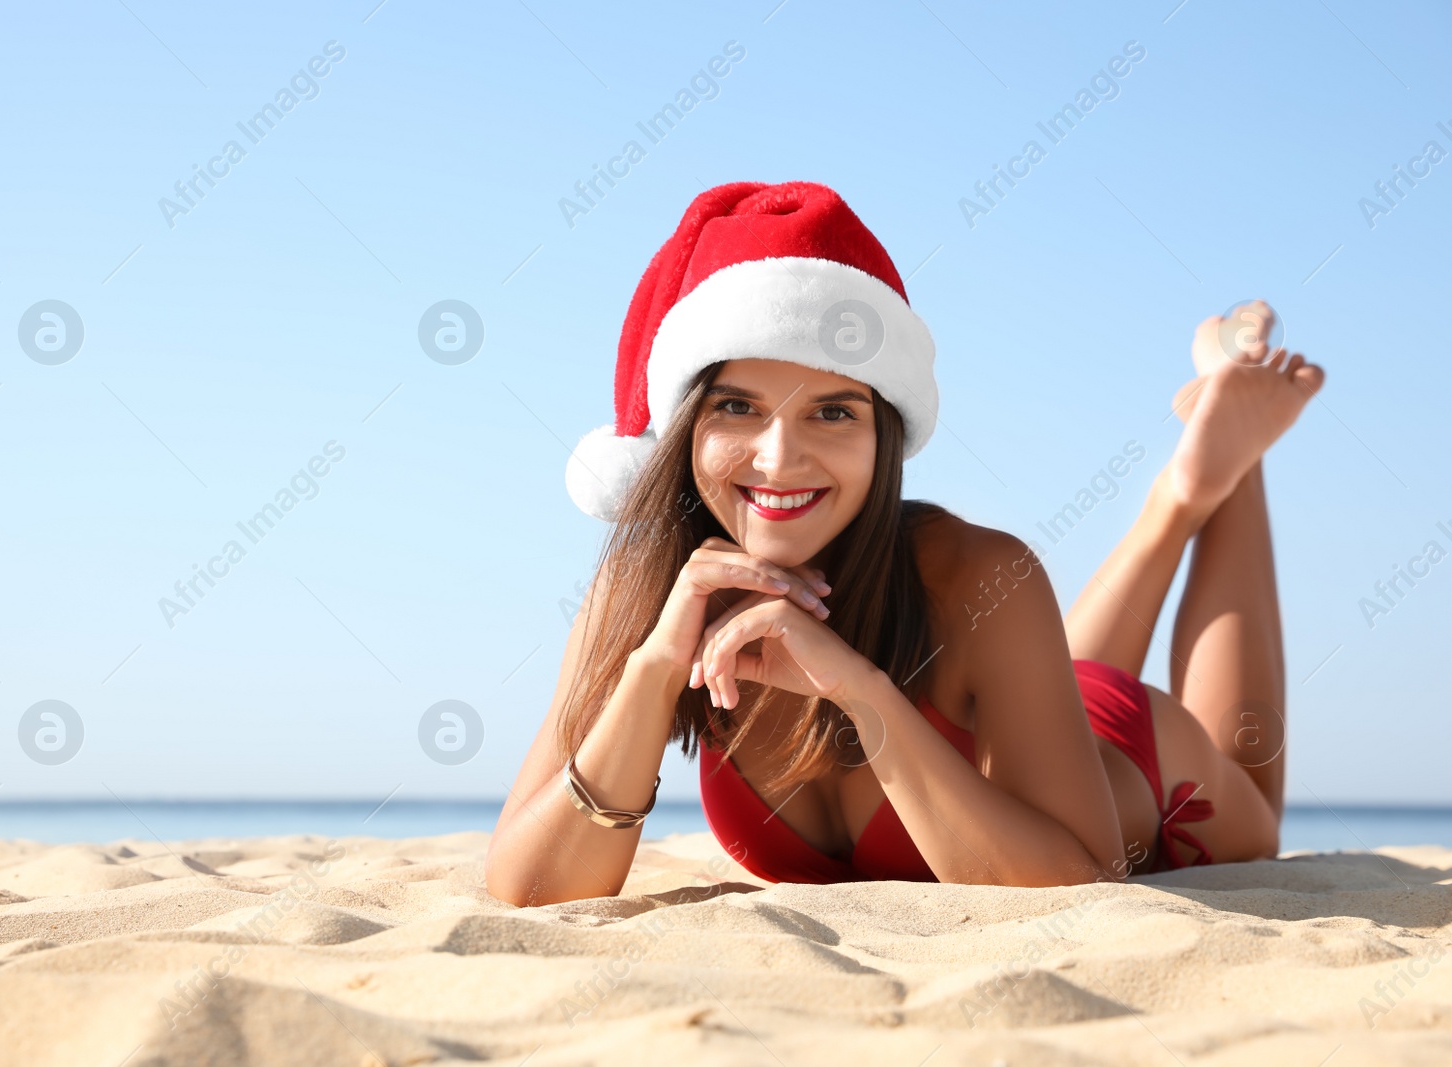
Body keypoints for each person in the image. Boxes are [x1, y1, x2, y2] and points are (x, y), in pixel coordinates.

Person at [484, 181, 1324, 908]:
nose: (780, 458)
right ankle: (1183, 490)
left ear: (886, 433)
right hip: (1014, 703)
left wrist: (861, 690)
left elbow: (1081, 884)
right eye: (737, 406)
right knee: (1039, 681)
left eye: (833, 411)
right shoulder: (646, 596)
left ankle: (1212, 475)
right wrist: (653, 670)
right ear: (682, 431)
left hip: (1132, 762)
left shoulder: (979, 574)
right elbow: (526, 888)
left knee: (1253, 795)